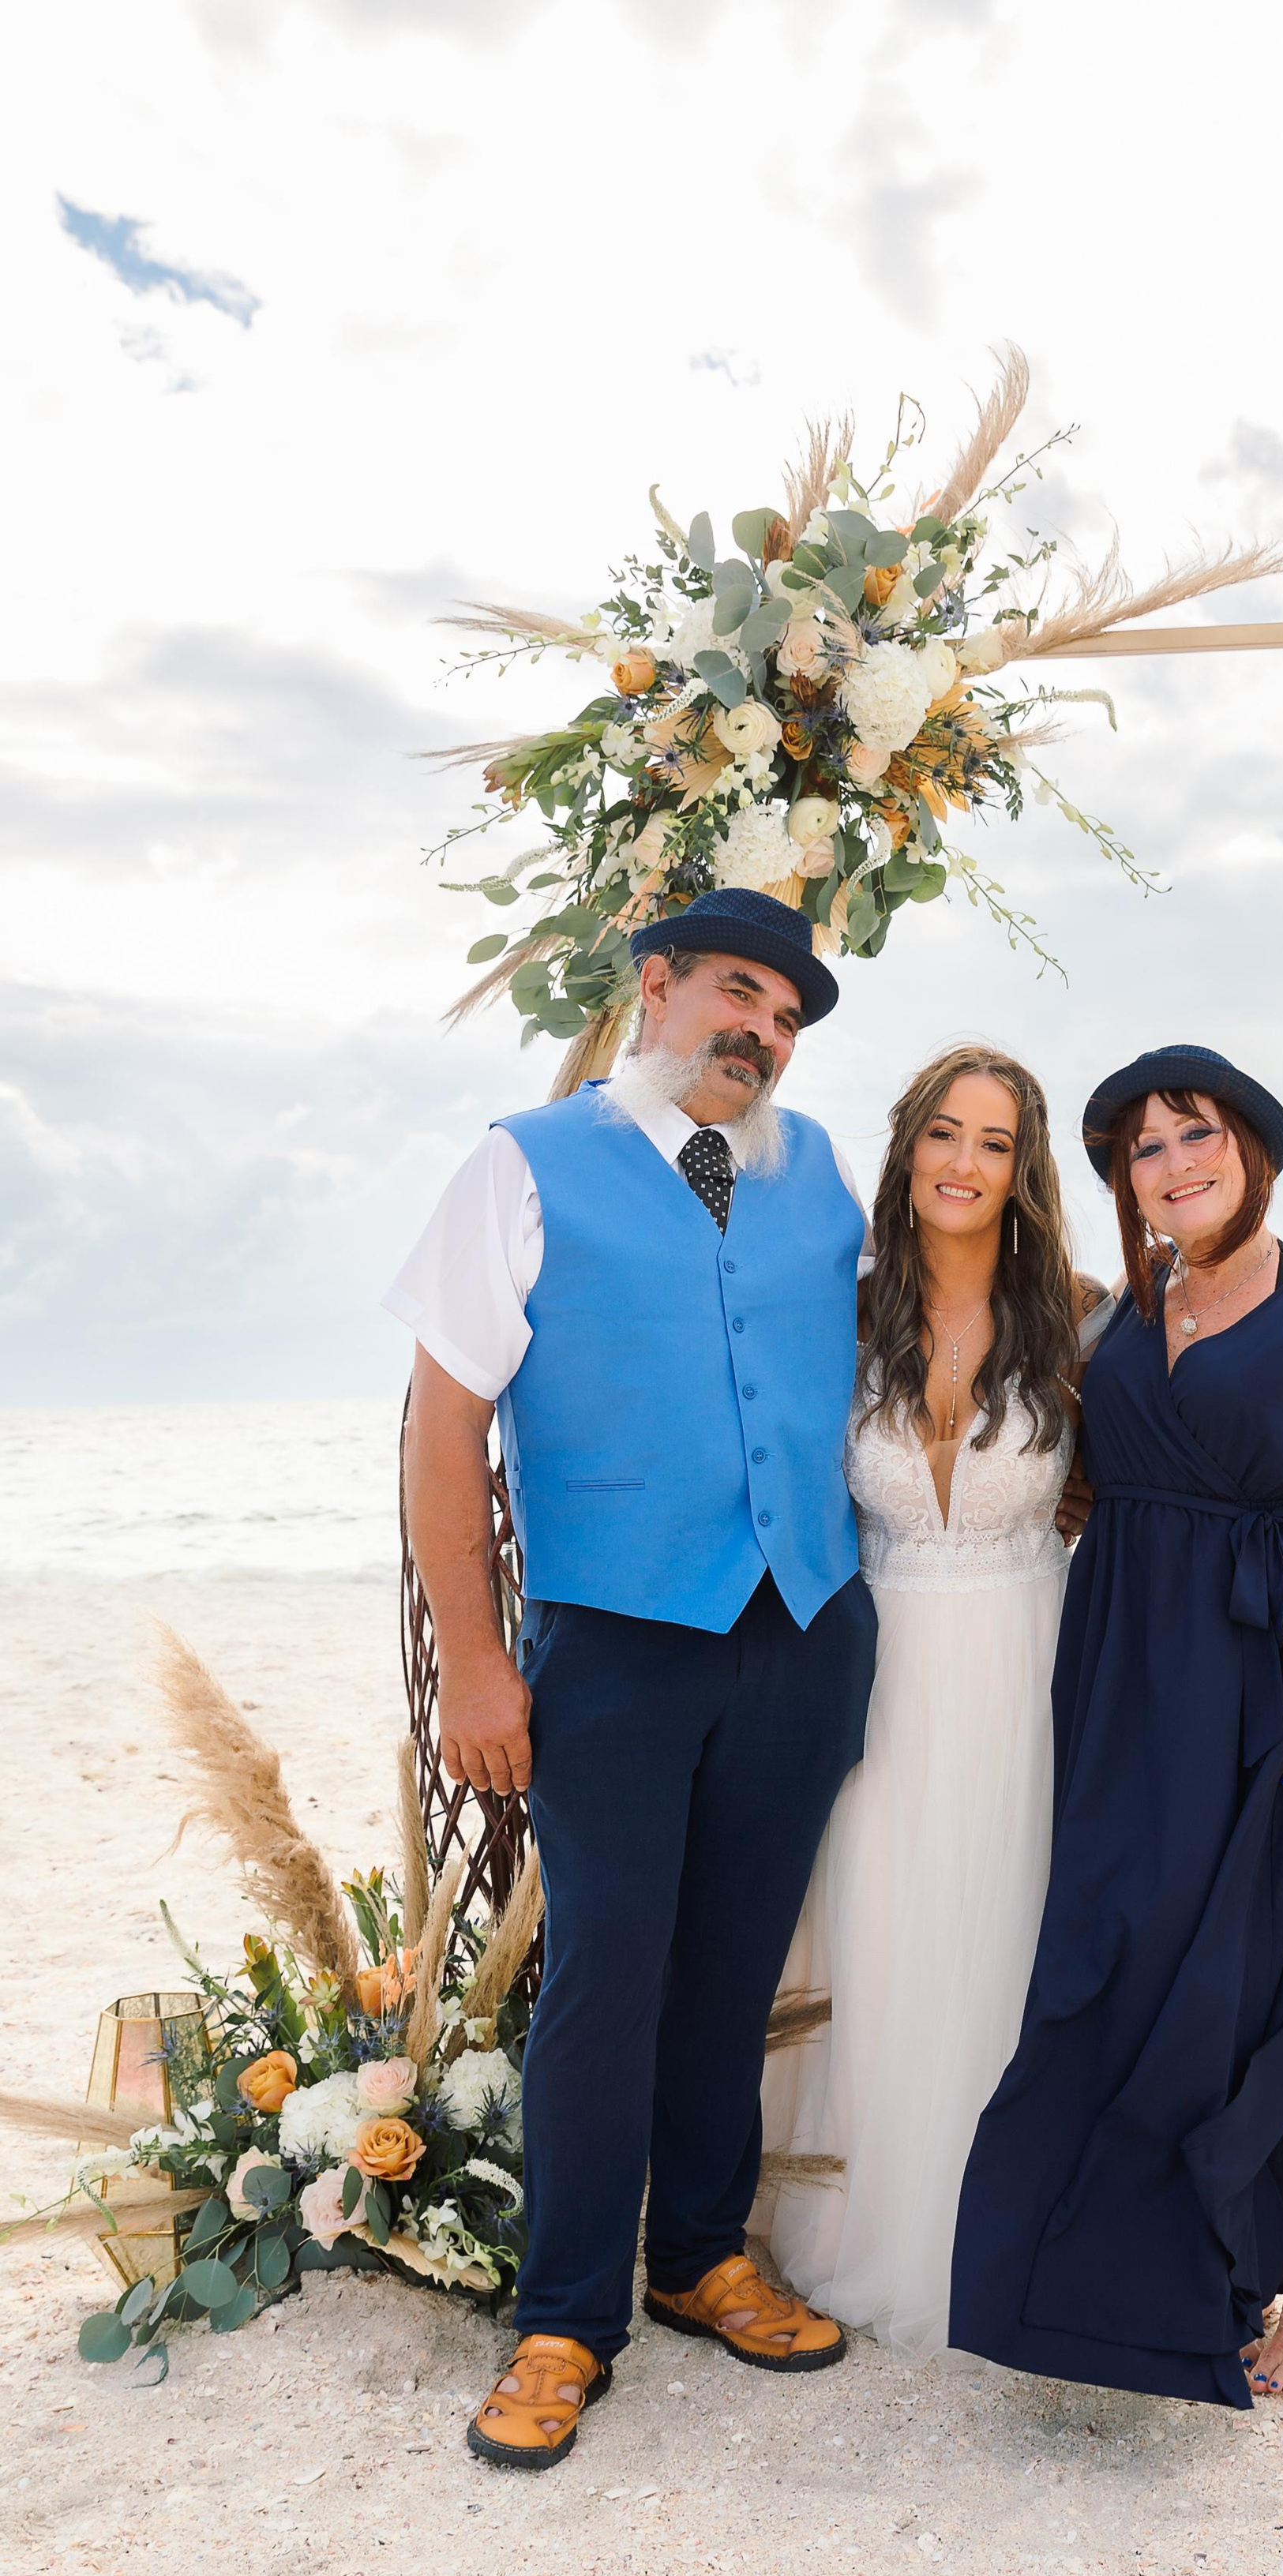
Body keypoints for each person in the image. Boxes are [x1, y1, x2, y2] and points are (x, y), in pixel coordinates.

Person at [386, 890, 877, 2470]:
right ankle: (563, 2315)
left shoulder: (818, 1183)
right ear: (653, 989)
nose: (761, 1031)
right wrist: (475, 1660)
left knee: (733, 1969)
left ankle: (700, 2260)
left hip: (802, 1626)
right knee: (604, 1978)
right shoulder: (521, 1169)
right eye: (738, 992)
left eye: (787, 1018)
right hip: (612, 1639)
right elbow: (441, 1432)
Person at [950, 1043, 1283, 2407]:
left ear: (1251, 1151)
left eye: (1196, 1134)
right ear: (1122, 1182)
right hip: (1129, 1681)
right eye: (1142, 1149)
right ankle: (1112, 2282)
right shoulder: (1113, 1320)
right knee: (1120, 1958)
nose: (1173, 1164)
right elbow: (1096, 1488)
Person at [761, 1047, 1108, 2357]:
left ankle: (1013, 2232)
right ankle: (866, 2231)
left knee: (1014, 1926)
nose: (966, 1164)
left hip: (1031, 1652)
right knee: (879, 1923)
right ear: (907, 1149)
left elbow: (1142, 1489)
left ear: (1025, 1174)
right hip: (882, 1653)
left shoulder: (1081, 1312)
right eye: (944, 1135)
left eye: (997, 1143)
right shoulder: (839, 1315)